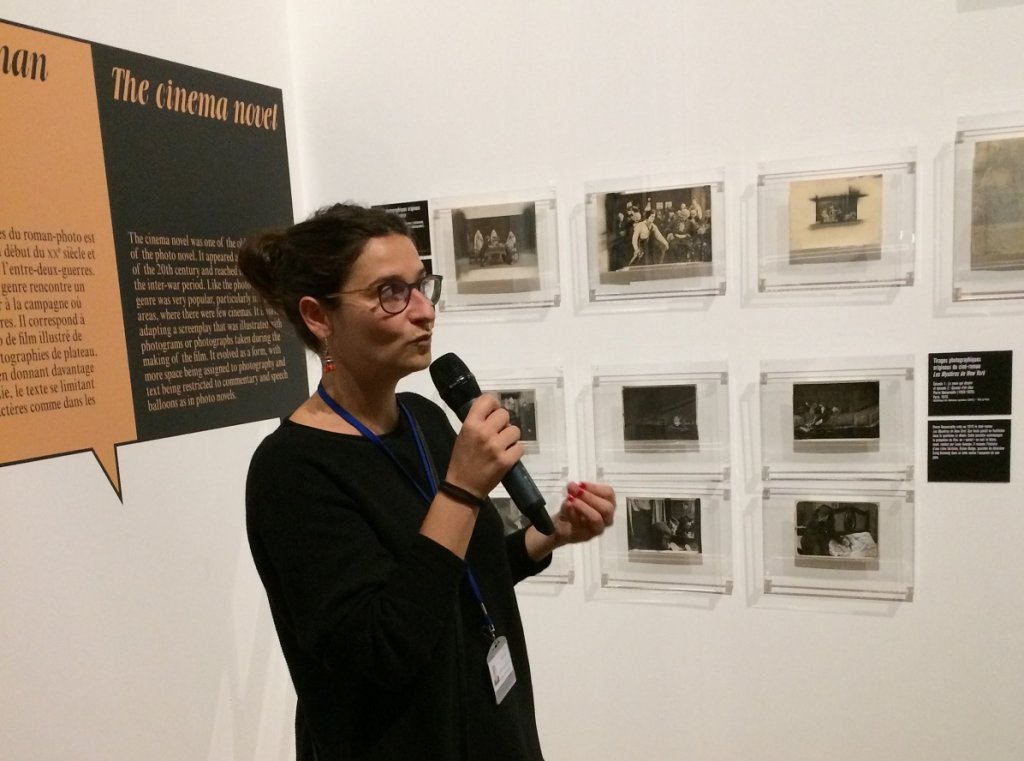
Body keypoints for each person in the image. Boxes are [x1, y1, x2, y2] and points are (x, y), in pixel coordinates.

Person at [237, 203, 616, 761]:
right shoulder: (290, 471)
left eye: (422, 286)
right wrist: (461, 489)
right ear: (319, 317)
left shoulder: (426, 419)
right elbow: (382, 645)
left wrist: (549, 534)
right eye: (391, 292)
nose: (423, 311)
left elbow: (454, 577)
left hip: (493, 732)